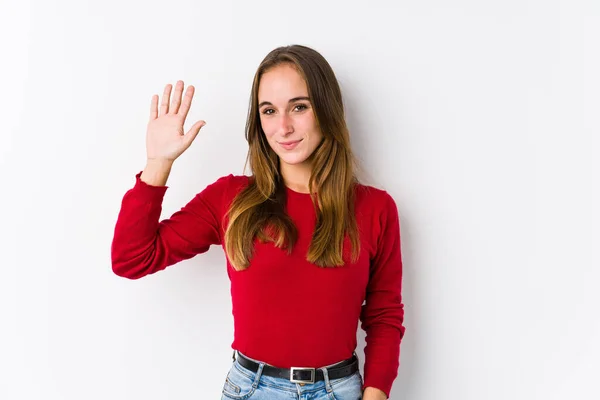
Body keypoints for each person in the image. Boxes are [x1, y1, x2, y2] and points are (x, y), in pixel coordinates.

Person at [111, 44, 405, 400]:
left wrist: (375, 396)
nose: (283, 126)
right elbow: (132, 259)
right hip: (252, 389)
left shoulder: (374, 208)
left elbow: (384, 316)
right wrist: (158, 163)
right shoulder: (231, 198)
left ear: (326, 110)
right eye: (269, 110)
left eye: (299, 107)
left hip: (339, 390)